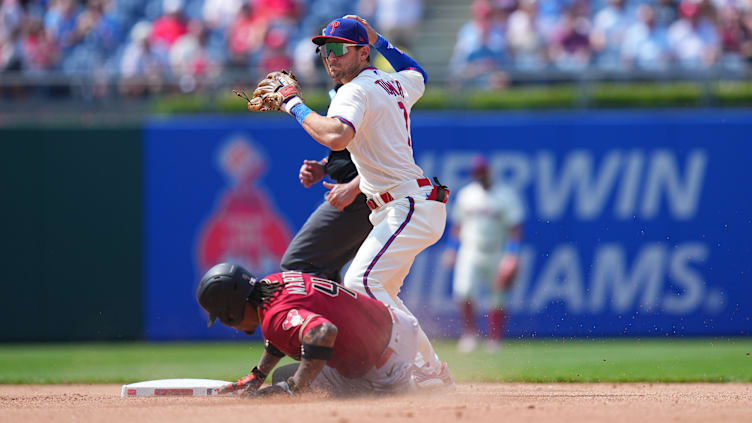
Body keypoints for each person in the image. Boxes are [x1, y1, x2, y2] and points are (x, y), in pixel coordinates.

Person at [252, 15, 453, 387]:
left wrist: (292, 103)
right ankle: (431, 369)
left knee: (362, 282)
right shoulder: (393, 81)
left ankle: (428, 370)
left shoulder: (355, 89)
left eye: (339, 50)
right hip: (409, 204)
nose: (330, 57)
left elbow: (337, 135)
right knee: (381, 291)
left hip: (406, 205)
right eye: (325, 50)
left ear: (361, 54)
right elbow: (418, 72)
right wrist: (380, 41)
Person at [196, 263, 420, 396]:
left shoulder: (273, 318)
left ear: (230, 313)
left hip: (384, 367)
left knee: (281, 389)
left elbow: (323, 331)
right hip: (398, 325)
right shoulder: (274, 282)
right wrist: (259, 375)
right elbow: (287, 328)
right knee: (281, 376)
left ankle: (408, 383)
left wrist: (295, 388)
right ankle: (421, 371)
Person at [442, 156, 524, 354]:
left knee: (497, 297)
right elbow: (457, 225)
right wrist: (452, 248)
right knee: (464, 292)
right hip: (469, 250)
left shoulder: (506, 195)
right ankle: (470, 334)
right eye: (477, 172)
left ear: (489, 171)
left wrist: (512, 256)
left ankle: (494, 339)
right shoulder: (466, 195)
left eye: (483, 171)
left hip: (497, 251)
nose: (481, 175)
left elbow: (515, 228)